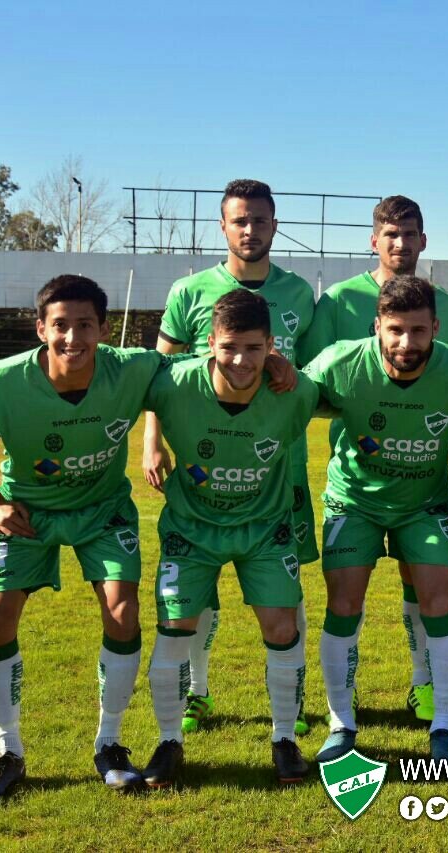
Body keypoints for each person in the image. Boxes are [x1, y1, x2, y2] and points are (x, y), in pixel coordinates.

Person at [0, 275, 170, 802]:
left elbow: (202, 370)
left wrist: (271, 362)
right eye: (61, 325)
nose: (73, 337)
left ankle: (109, 745)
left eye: (84, 325)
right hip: (29, 510)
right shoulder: (1, 382)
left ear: (103, 329)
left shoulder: (132, 368)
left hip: (103, 509)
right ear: (41, 328)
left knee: (122, 610)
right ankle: (8, 753)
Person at [302, 275, 448, 762]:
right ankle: (341, 723)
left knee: (439, 599)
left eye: (417, 331)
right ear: (377, 326)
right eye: (394, 330)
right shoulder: (341, 362)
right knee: (345, 602)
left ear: (436, 327)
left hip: (424, 504)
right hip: (354, 501)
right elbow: (289, 394)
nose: (405, 343)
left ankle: (441, 727)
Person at [142, 178, 311, 736]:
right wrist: (152, 440)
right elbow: (158, 374)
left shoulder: (300, 293)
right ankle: (197, 690)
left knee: (285, 586)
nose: (250, 229)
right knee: (197, 584)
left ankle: (293, 705)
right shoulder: (189, 291)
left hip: (276, 463)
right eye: (240, 220)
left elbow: (301, 378)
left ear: (274, 224)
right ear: (223, 225)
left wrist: (286, 367)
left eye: (260, 220)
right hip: (203, 463)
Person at [141, 289, 320, 787]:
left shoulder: (297, 391)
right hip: (191, 529)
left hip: (265, 529)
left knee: (282, 628)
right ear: (210, 344)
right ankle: (169, 742)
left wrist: (286, 368)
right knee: (175, 625)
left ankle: (285, 738)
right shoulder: (173, 382)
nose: (241, 360)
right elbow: (113, 376)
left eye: (255, 349)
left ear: (271, 347)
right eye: (229, 347)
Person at [300, 195, 448, 724]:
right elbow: (313, 387)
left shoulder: (446, 308)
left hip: (424, 484)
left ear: (423, 240)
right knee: (344, 594)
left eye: (408, 233)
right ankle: (337, 715)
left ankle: (425, 687)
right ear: (374, 241)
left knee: (429, 589)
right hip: (360, 480)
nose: (399, 243)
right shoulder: (339, 303)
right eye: (389, 234)